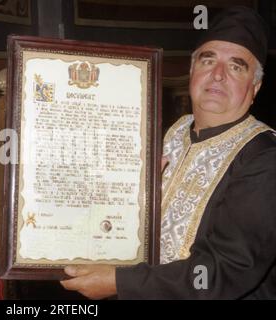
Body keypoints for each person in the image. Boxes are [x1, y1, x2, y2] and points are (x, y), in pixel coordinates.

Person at [61, 6, 276, 299]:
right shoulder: (177, 130)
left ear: (255, 87)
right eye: (207, 60)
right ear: (191, 71)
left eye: (236, 66)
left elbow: (226, 268)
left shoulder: (264, 158)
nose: (217, 75)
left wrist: (120, 282)